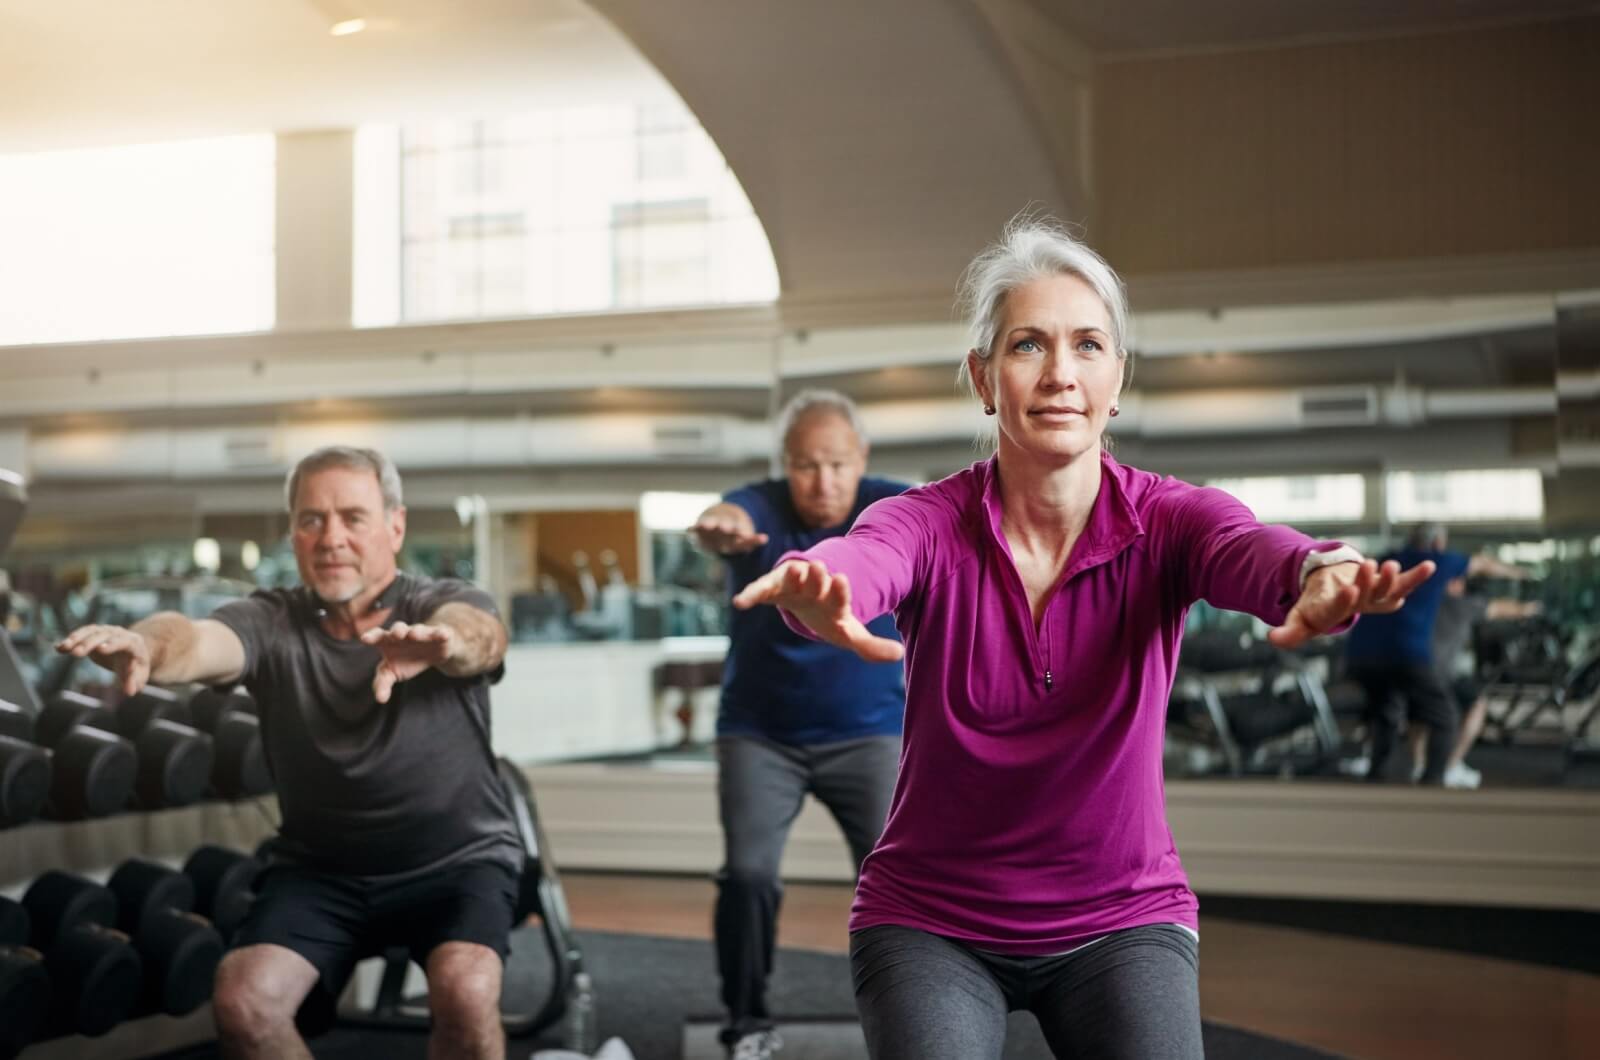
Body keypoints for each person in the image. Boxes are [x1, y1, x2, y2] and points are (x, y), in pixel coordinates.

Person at [730, 217, 1432, 1060]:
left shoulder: (1172, 519)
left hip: (1122, 919)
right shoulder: (924, 520)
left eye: (1088, 345)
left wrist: (1325, 572)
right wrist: (825, 586)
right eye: (1028, 345)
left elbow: (1257, 550)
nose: (1061, 374)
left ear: (1117, 377)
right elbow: (867, 557)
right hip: (932, 921)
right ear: (984, 379)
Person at [56, 446, 519, 1060]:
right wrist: (146, 643)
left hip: (455, 863)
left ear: (395, 526)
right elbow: (196, 641)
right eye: (311, 520)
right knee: (246, 1001)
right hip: (322, 872)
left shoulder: (438, 605)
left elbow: (481, 637)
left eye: (353, 517)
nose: (331, 538)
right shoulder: (271, 621)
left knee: (466, 991)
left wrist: (447, 642)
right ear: (294, 533)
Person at [691, 390, 909, 1060]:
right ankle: (747, 1020)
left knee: (900, 879)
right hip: (762, 736)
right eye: (806, 466)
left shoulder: (891, 505)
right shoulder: (759, 506)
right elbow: (726, 517)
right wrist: (715, 527)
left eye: (837, 464)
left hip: (869, 733)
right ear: (786, 464)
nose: (823, 482)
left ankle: (908, 1018)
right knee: (750, 875)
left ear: (861, 457)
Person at [1346, 523, 1522, 786]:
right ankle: (1433, 783)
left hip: (1360, 652)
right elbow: (1483, 564)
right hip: (1403, 651)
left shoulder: (1387, 559)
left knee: (1388, 712)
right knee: (1445, 716)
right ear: (1439, 542)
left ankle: (1376, 775)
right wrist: (1519, 573)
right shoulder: (1438, 561)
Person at [1411, 569, 1539, 788]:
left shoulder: (1422, 603)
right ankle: (1451, 766)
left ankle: (1418, 765)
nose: (1462, 585)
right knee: (1477, 705)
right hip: (1440, 675)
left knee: (1420, 714)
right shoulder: (1460, 605)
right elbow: (1500, 608)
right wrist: (1531, 608)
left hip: (1416, 671)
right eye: (1459, 581)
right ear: (1451, 584)